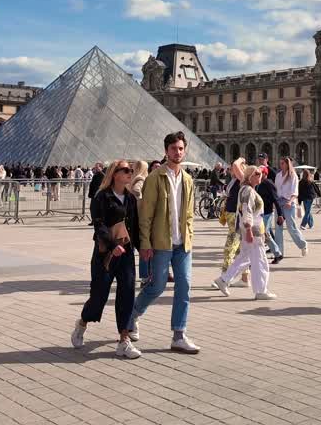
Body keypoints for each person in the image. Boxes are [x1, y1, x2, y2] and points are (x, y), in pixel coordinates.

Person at [127, 131, 199, 354]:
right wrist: (145, 244)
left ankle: (179, 334)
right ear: (166, 151)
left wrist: (190, 235)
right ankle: (133, 316)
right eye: (173, 148)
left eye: (180, 148)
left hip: (182, 245)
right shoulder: (154, 178)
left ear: (184, 150)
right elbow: (146, 215)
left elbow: (189, 214)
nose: (177, 152)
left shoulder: (188, 180)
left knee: (184, 286)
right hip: (160, 243)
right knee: (157, 286)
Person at [72, 160, 142, 359]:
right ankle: (82, 323)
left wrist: (143, 250)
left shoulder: (130, 198)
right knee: (98, 297)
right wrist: (113, 245)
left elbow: (134, 228)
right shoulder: (102, 197)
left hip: (126, 253)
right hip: (105, 254)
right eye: (126, 170)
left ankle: (124, 340)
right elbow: (99, 225)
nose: (130, 173)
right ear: (114, 173)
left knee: (127, 294)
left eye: (131, 170)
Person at [212, 161, 276, 300]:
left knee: (244, 258)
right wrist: (249, 231)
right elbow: (246, 211)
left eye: (260, 174)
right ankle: (261, 290)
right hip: (253, 231)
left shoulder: (246, 189)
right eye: (257, 174)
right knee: (261, 260)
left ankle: (223, 280)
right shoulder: (248, 191)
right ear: (250, 176)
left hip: (251, 230)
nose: (260, 176)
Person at [271, 157, 308, 258]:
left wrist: (290, 201)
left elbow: (295, 191)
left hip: (288, 203)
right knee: (278, 228)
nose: (281, 165)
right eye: (280, 163)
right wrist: (274, 203)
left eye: (282, 163)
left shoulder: (293, 176)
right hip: (279, 203)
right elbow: (276, 190)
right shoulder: (278, 175)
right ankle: (279, 253)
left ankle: (303, 245)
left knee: (291, 227)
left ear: (287, 164)